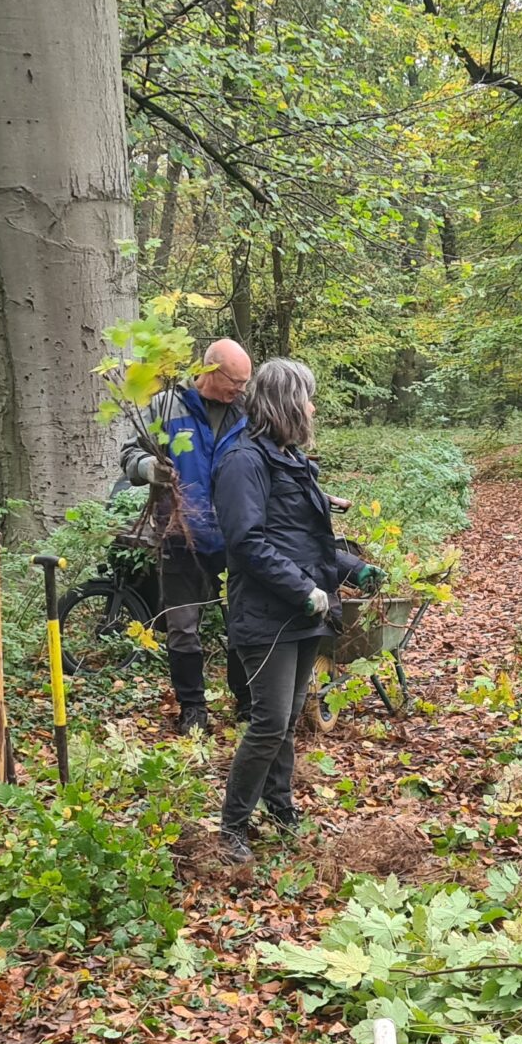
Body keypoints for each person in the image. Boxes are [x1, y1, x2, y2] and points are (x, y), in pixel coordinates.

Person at [210, 359, 377, 865]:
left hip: (305, 613)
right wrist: (304, 589)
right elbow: (247, 542)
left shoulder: (292, 458)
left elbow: (307, 540)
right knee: (268, 722)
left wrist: (351, 568)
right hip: (267, 615)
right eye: (307, 396)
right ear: (285, 402)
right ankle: (231, 828)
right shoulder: (244, 461)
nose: (312, 407)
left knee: (285, 724)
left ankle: (280, 811)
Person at [120, 336, 254, 734]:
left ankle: (246, 703)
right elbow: (130, 454)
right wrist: (150, 469)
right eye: (235, 381)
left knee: (243, 623)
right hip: (180, 535)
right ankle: (193, 708)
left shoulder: (248, 410)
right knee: (182, 626)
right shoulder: (166, 406)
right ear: (210, 371)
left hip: (236, 537)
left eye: (245, 383)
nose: (240, 389)